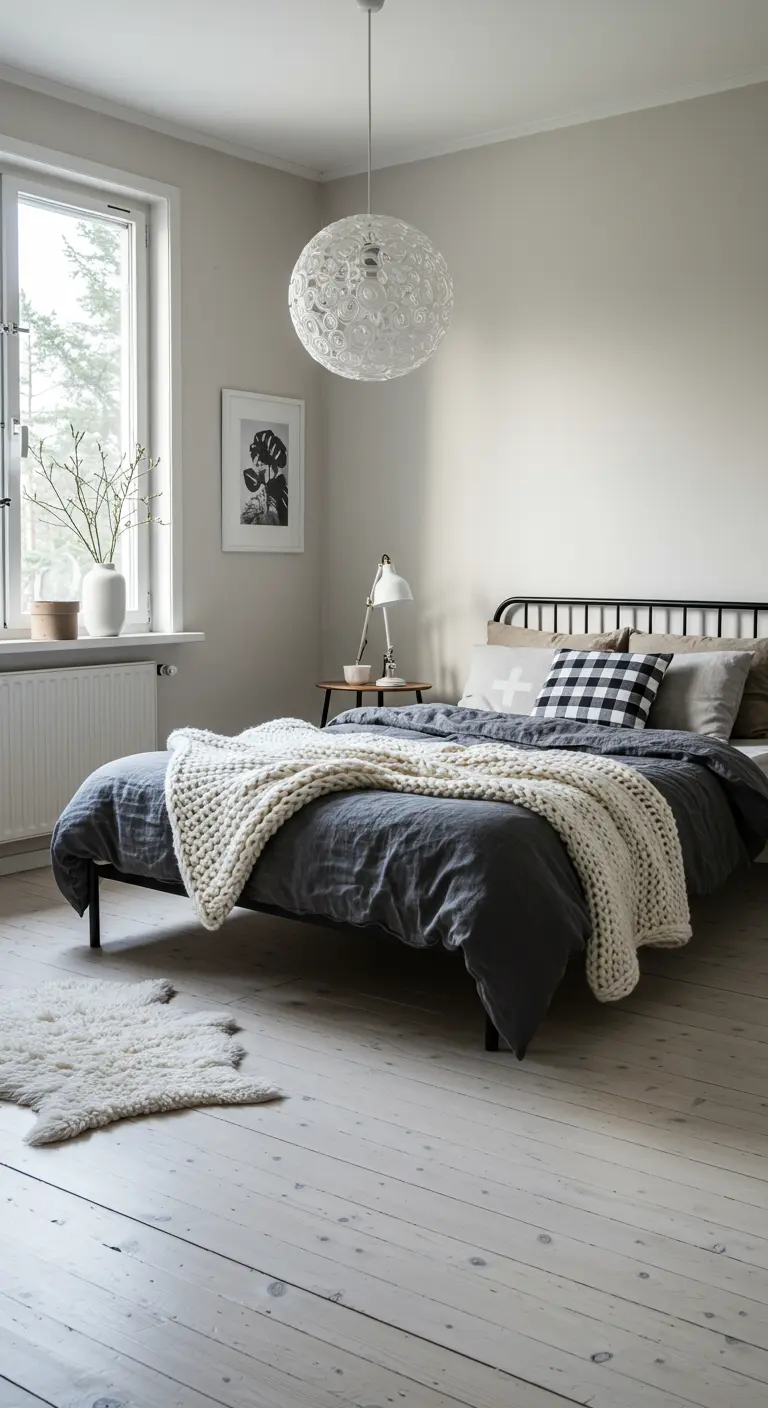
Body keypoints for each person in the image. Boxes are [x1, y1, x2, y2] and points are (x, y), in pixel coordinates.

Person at [241, 428, 288, 526]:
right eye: (257, 465)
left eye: (261, 465)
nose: (258, 470)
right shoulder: (261, 496)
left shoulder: (282, 496)